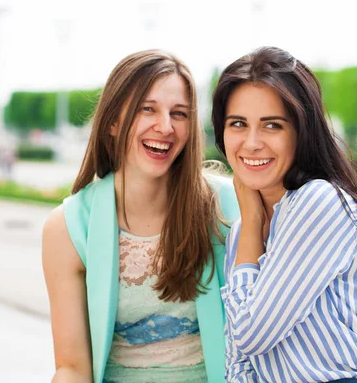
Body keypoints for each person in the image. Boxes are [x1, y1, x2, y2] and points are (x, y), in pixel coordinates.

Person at [42, 49, 239, 383]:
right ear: (114, 121)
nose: (165, 127)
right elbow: (72, 367)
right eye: (148, 109)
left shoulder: (226, 206)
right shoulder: (68, 227)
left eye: (179, 114)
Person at [211, 47, 357, 383]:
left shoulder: (319, 203)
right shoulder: (243, 234)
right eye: (238, 124)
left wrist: (253, 225)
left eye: (272, 125)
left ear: (301, 131)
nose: (251, 143)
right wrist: (250, 227)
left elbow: (251, 333)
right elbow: (238, 361)